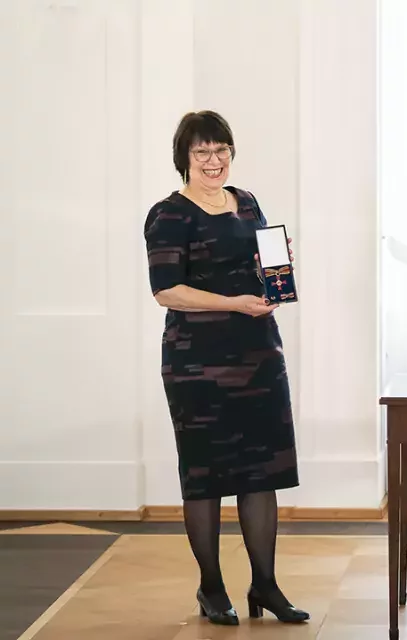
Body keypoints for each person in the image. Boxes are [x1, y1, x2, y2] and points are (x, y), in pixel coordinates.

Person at [143, 110, 308, 626]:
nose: (214, 161)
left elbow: (257, 262)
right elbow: (166, 289)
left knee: (262, 473)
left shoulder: (248, 202)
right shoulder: (169, 215)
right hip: (198, 362)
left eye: (221, 150)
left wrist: (276, 274)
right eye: (202, 152)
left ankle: (266, 585)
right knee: (206, 476)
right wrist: (235, 302)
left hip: (259, 352)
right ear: (184, 159)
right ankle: (212, 589)